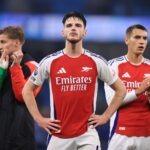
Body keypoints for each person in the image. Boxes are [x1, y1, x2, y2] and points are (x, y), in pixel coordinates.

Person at [22, 11, 126, 150]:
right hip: (58, 135)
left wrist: (106, 116)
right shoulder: (49, 62)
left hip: (87, 134)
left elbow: (121, 89)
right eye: (69, 25)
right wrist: (38, 119)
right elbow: (27, 90)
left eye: (78, 25)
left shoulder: (96, 61)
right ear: (63, 32)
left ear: (85, 32)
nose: (73, 28)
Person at [104, 24, 150, 150]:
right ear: (127, 40)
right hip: (120, 134)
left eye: (144, 38)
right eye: (137, 37)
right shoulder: (113, 65)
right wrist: (139, 91)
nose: (141, 42)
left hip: (147, 135)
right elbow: (111, 102)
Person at [0, 26, 40, 150]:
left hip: (20, 134)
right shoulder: (1, 65)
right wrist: (2, 70)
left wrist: (15, 67)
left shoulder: (33, 66)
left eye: (3, 42)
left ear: (16, 43)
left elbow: (22, 96)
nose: (0, 46)